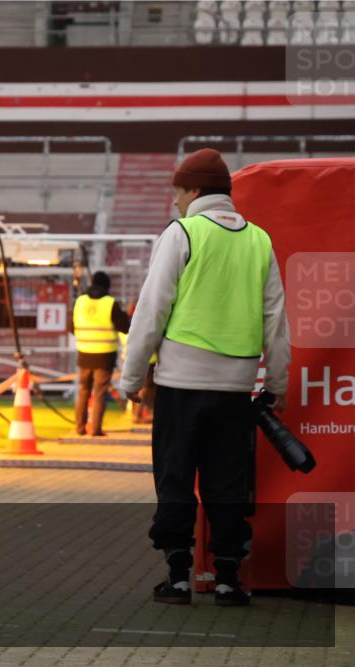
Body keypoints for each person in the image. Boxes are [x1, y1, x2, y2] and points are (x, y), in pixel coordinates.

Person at [120, 148, 289, 607]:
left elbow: (152, 310)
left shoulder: (181, 233)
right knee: (228, 482)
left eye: (178, 192)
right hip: (235, 388)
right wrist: (277, 384)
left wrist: (132, 377)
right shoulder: (259, 240)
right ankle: (229, 578)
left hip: (180, 383)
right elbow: (276, 319)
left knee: (175, 477)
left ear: (194, 190)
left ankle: (178, 576)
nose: (174, 201)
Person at [68, 271, 130, 436]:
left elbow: (71, 327)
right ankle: (95, 428)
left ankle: (79, 426)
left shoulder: (80, 301)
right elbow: (125, 327)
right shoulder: (110, 303)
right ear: (107, 285)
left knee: (83, 390)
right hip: (104, 355)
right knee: (100, 392)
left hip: (84, 354)